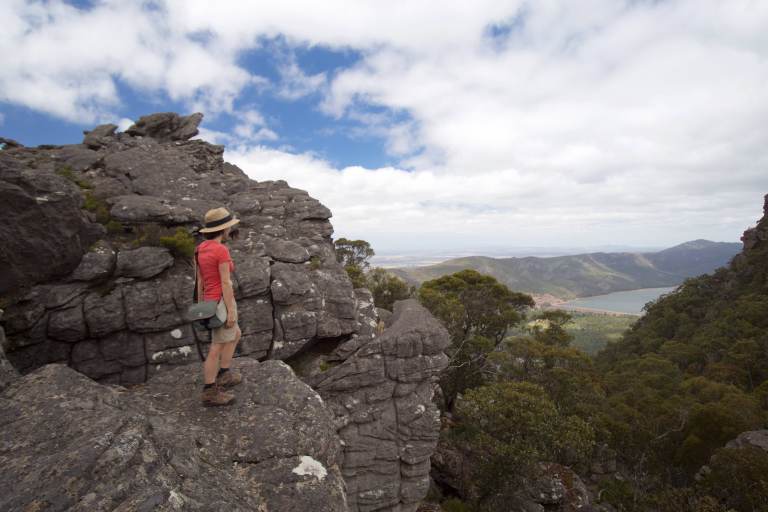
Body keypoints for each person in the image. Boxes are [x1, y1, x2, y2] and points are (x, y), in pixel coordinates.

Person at [197, 207, 243, 406]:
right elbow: (226, 282)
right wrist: (230, 310)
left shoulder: (200, 248)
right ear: (223, 229)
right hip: (222, 301)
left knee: (236, 334)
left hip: (209, 300)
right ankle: (209, 391)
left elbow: (199, 281)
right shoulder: (221, 250)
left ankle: (224, 373)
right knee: (217, 346)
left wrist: (201, 304)